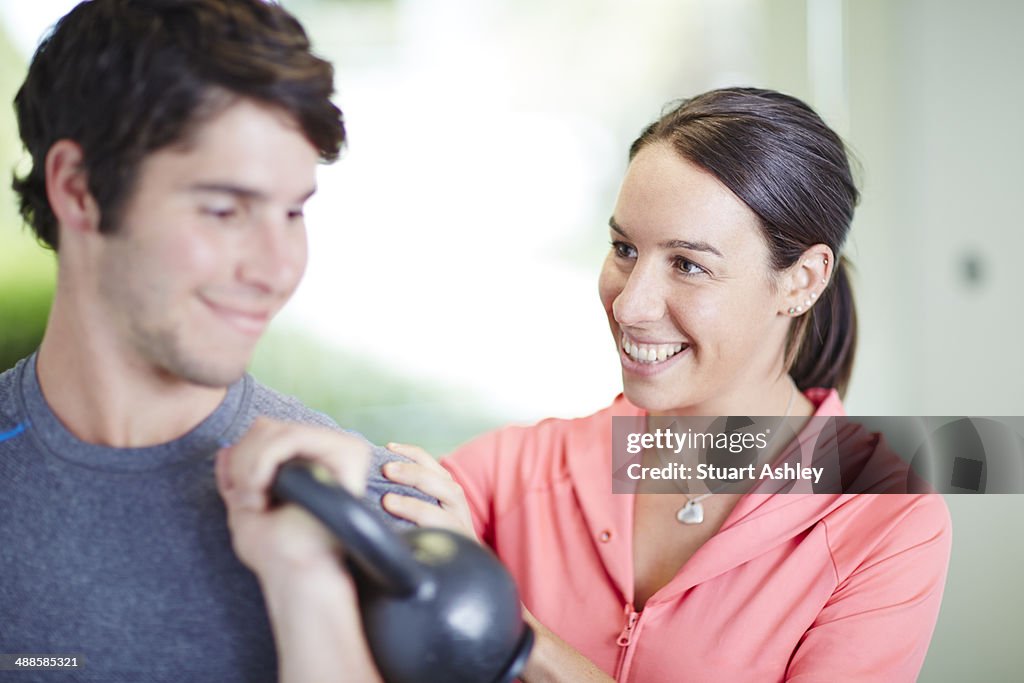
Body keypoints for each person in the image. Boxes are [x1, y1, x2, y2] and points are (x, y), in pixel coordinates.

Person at [379, 88, 953, 681]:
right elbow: (353, 522)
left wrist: (519, 638)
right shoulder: (517, 472)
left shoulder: (885, 520)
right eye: (624, 249)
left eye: (688, 264)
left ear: (801, 280)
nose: (629, 305)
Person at [0, 1, 421, 681]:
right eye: (225, 210)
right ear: (78, 191)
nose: (277, 267)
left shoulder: (384, 524)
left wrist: (310, 591)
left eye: (292, 212)